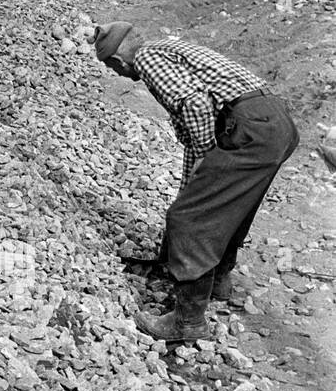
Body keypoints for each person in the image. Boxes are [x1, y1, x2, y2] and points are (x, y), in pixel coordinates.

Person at [90, 23, 298, 342]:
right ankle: (216, 282)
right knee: (230, 205)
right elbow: (197, 121)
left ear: (118, 62)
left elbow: (195, 104)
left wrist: (202, 160)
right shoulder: (172, 48)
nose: (117, 74)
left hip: (249, 127)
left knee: (190, 218)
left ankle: (188, 322)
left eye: (112, 68)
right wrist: (193, 180)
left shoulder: (147, 59)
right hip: (275, 123)